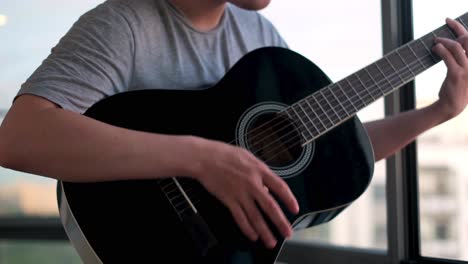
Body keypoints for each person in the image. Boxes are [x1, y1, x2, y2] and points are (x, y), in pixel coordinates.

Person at [0, 0, 467, 250]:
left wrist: (438, 112)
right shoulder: (124, 24)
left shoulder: (260, 38)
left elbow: (332, 145)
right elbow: (18, 138)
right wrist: (201, 159)